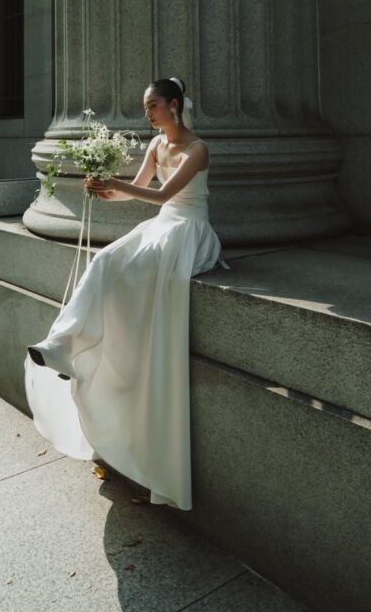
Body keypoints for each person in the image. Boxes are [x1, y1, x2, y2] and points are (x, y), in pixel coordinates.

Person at [23, 76, 226, 510]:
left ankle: (77, 342)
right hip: (162, 225)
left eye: (152, 106)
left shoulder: (197, 149)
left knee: (134, 269)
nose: (147, 114)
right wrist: (103, 189)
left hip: (190, 231)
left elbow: (164, 194)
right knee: (106, 260)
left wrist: (123, 185)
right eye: (146, 107)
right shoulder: (155, 146)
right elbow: (136, 192)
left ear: (174, 105)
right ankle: (63, 344)